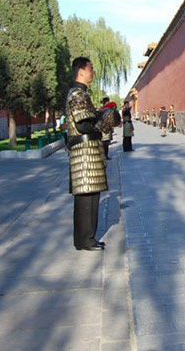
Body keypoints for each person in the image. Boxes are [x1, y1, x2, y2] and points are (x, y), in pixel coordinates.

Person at [65, 56, 118, 251]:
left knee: (89, 196)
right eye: (90, 69)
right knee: (87, 198)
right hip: (84, 154)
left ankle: (85, 238)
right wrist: (102, 119)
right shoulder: (78, 94)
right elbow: (83, 124)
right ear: (81, 71)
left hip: (88, 153)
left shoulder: (80, 93)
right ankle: (85, 240)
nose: (92, 72)